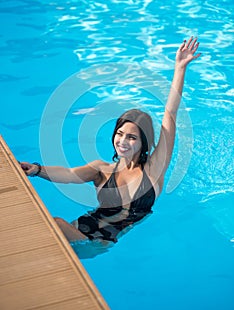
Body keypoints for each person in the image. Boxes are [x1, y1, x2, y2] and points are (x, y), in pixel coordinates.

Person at [21, 36, 201, 244]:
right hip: (82, 227)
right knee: (49, 229)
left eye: (132, 137)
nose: (123, 141)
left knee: (55, 225)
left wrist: (179, 69)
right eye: (120, 133)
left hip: (101, 241)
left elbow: (170, 115)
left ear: (144, 142)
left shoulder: (153, 169)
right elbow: (69, 175)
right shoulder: (102, 170)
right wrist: (36, 169)